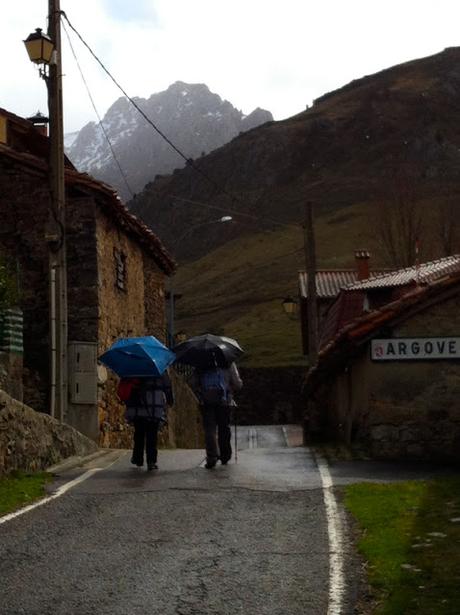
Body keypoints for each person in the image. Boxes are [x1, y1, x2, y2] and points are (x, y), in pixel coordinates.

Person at [119, 371, 174, 471]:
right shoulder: (159, 369)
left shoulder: (135, 367)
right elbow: (167, 386)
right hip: (154, 407)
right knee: (152, 435)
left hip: (138, 406)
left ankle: (138, 458)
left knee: (139, 433)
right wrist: (170, 400)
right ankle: (151, 461)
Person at [194, 360, 243, 469]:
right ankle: (225, 455)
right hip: (224, 402)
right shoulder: (228, 362)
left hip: (206, 402)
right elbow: (237, 384)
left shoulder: (201, 364)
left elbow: (193, 382)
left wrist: (201, 393)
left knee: (209, 429)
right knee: (224, 428)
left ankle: (212, 457)